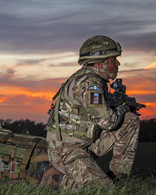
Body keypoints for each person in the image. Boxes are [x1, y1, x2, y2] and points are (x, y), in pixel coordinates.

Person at [44, 35, 140, 191]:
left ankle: (117, 176)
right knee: (102, 190)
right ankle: (52, 178)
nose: (118, 63)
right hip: (66, 148)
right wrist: (123, 107)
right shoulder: (89, 84)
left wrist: (122, 108)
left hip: (85, 141)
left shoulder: (94, 80)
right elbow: (108, 122)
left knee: (130, 120)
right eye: (113, 59)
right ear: (101, 63)